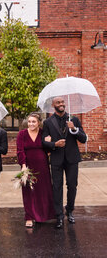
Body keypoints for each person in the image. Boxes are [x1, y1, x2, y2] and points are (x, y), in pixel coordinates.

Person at [42, 97, 87, 229]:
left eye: (62, 102)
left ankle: (70, 210)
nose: (61, 104)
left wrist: (74, 129)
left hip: (72, 159)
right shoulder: (48, 122)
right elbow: (43, 142)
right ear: (53, 105)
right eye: (58, 103)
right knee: (57, 187)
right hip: (56, 158)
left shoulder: (74, 119)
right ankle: (59, 216)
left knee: (72, 185)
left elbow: (83, 139)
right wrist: (54, 144)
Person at [16, 113, 55, 228]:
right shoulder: (22, 134)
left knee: (43, 191)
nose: (31, 124)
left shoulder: (43, 133)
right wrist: (23, 165)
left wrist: (49, 142)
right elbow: (20, 151)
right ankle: (29, 217)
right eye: (29, 122)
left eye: (33, 122)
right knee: (28, 191)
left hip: (42, 166)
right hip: (28, 166)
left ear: (39, 123)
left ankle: (43, 215)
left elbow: (48, 150)